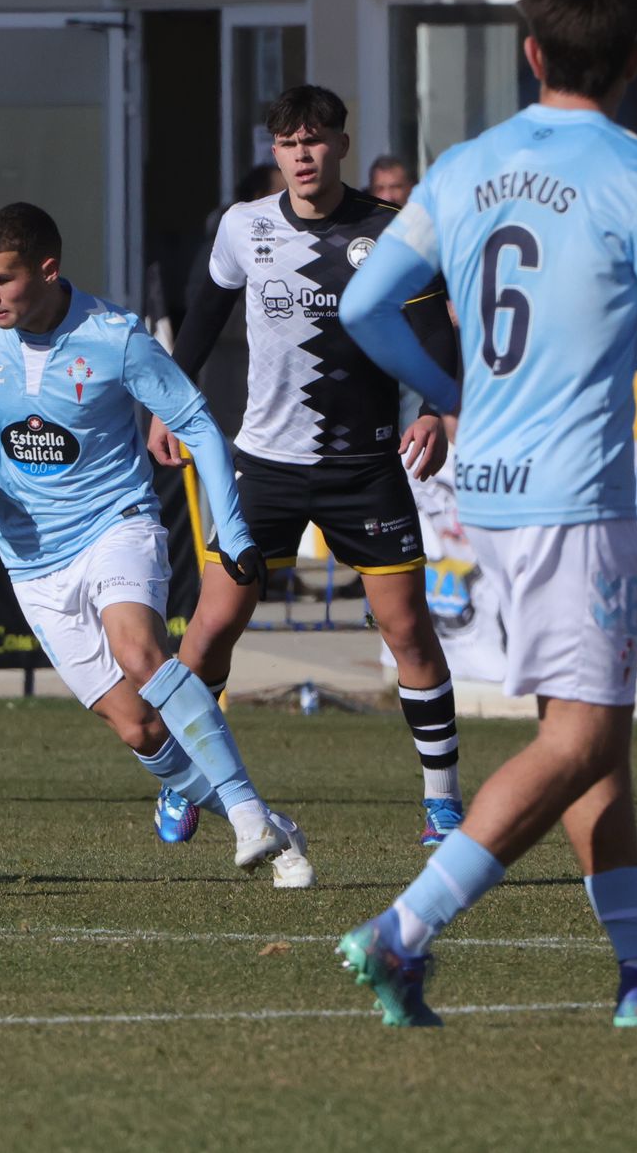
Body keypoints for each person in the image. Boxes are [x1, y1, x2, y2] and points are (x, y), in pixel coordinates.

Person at [337, 0, 637, 1027]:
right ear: (635, 58)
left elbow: (365, 306)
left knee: (591, 732)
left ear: (530, 53)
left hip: (489, 488)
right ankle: (400, 932)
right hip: (570, 495)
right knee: (576, 739)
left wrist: (449, 390)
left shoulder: (461, 166)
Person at [0, 202, 311, 885]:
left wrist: (229, 529)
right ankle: (271, 822)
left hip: (114, 524)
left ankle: (241, 812)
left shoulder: (114, 336)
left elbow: (199, 426)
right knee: (138, 730)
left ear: (48, 269)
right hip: (32, 558)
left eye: (3, 279)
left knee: (140, 652)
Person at [147, 85, 465, 848]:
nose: (302, 154)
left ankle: (443, 801)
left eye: (315, 139)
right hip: (266, 466)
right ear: (274, 152)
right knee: (214, 625)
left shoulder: (393, 230)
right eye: (288, 142)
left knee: (407, 629)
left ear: (341, 146)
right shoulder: (243, 227)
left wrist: (434, 410)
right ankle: (190, 779)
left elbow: (436, 333)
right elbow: (201, 321)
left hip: (364, 469)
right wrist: (164, 402)